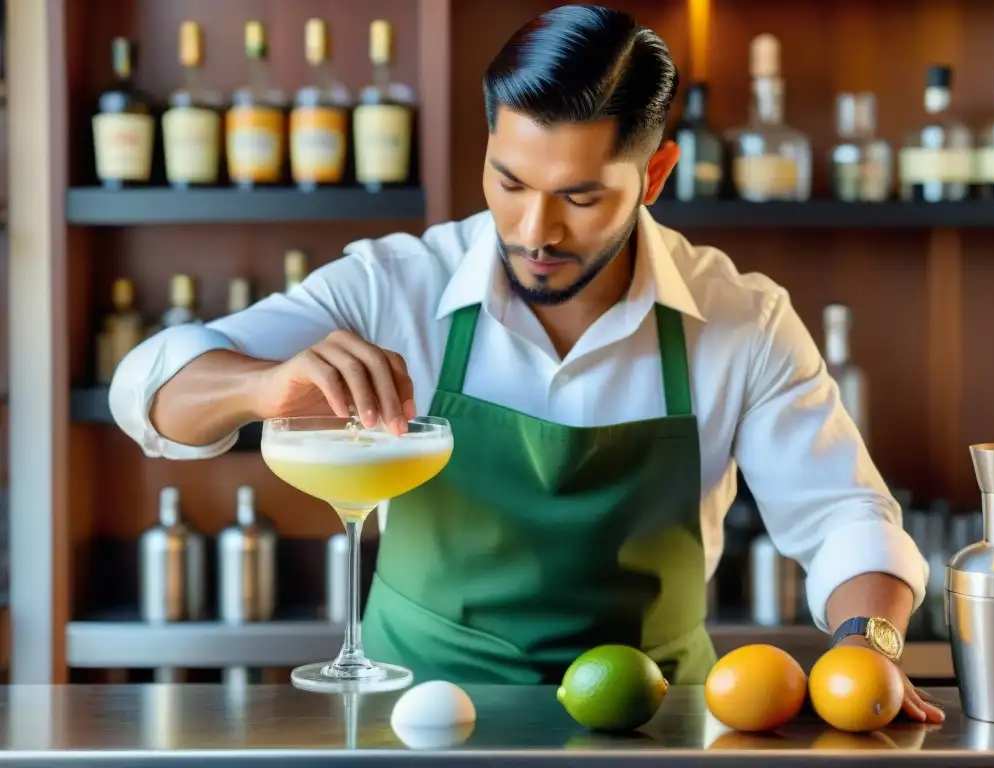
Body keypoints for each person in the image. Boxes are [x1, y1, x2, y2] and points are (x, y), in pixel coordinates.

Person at [111, 5, 941, 722]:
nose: (534, 230)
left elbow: (844, 518)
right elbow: (148, 387)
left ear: (654, 175)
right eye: (508, 181)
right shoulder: (394, 284)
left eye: (580, 198)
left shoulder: (741, 320)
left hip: (652, 726)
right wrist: (262, 386)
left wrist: (866, 645)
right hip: (416, 718)